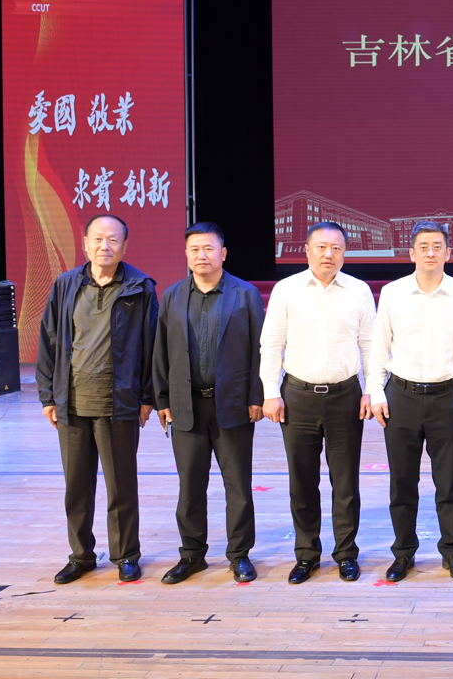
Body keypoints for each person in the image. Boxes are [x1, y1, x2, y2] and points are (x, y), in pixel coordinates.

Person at [38, 214, 157, 584]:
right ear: (85, 243)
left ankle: (126, 555)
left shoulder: (140, 288)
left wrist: (148, 397)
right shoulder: (65, 285)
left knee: (121, 486)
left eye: (113, 240)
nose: (105, 246)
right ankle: (81, 555)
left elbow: (152, 346)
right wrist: (48, 395)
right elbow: (49, 341)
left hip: (118, 402)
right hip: (71, 402)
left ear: (125, 246)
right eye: (98, 239)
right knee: (76, 487)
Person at [259, 221, 376, 584]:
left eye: (337, 248)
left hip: (346, 397)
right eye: (322, 247)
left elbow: (371, 346)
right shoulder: (287, 289)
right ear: (307, 250)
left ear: (345, 252)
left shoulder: (358, 291)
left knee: (346, 483)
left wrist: (372, 390)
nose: (329, 254)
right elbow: (271, 345)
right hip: (297, 397)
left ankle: (346, 554)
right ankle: (307, 555)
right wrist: (270, 392)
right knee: (302, 483)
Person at [153, 222, 266, 585]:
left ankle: (239, 555)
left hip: (232, 405)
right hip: (186, 406)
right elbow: (160, 351)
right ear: (186, 254)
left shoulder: (245, 294)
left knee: (238, 486)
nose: (201, 255)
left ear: (223, 253)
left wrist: (256, 396)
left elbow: (260, 349)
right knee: (190, 487)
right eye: (194, 249)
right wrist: (162, 399)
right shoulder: (172, 295)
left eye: (208, 248)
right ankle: (192, 555)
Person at [368, 221, 453, 583]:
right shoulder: (393, 293)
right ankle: (403, 553)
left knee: (449, 484)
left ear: (448, 253)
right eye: (424, 247)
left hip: (448, 397)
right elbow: (378, 347)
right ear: (411, 253)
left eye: (437, 246)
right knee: (402, 483)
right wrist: (376, 391)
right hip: (401, 397)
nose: (431, 252)